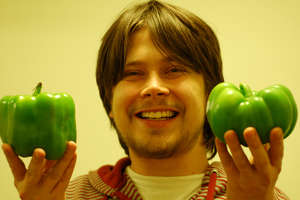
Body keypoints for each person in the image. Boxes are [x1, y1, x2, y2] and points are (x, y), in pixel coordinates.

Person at [2, 0, 289, 199]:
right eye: (133, 73)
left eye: (174, 70)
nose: (153, 88)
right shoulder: (71, 197)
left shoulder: (263, 195)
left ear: (210, 96)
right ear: (109, 102)